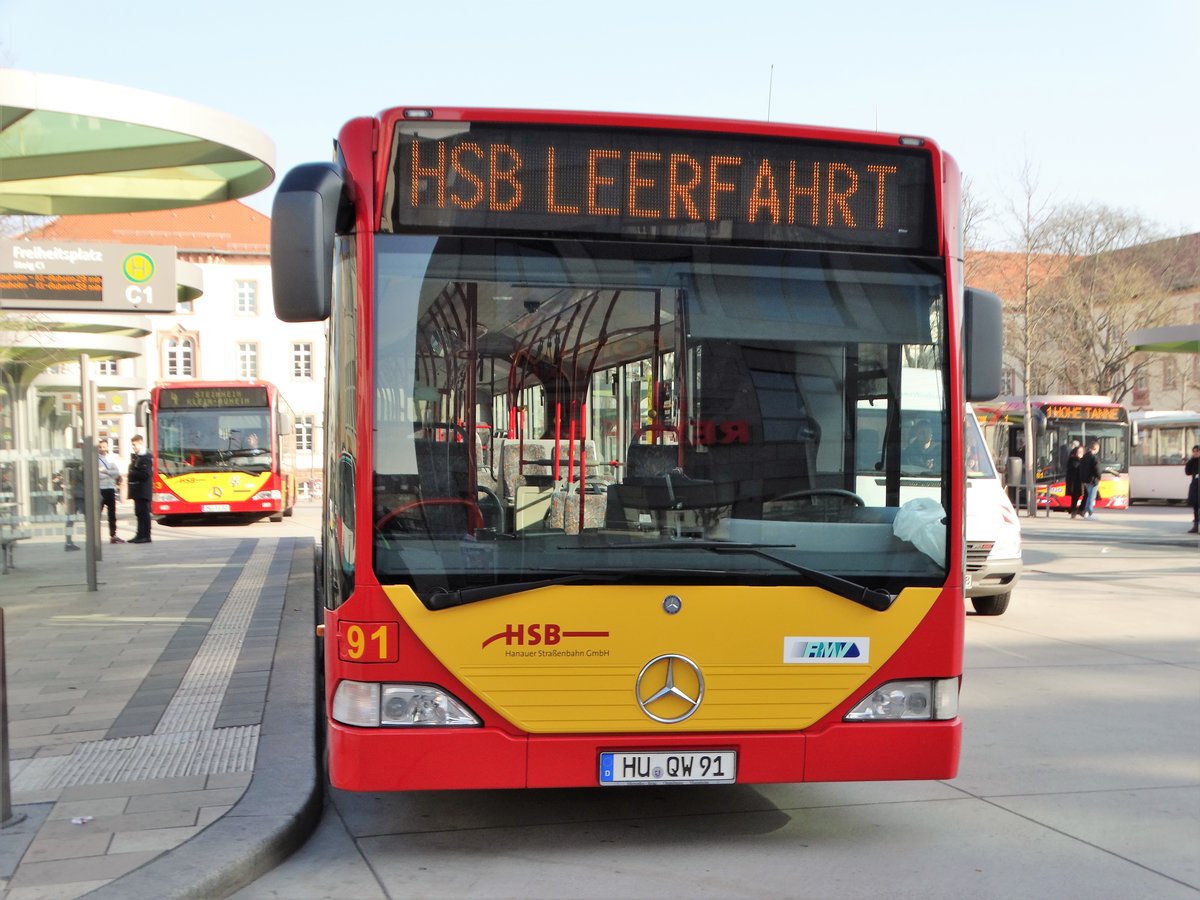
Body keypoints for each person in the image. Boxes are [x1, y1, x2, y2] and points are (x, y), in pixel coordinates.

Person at [126, 434, 153, 543]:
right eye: (132, 445)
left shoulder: (145, 457)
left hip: (143, 490)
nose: (133, 447)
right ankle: (139, 534)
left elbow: (145, 474)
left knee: (143, 513)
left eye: (134, 444)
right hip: (138, 491)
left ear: (140, 442)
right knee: (139, 513)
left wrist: (132, 472)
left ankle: (145, 535)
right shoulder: (138, 457)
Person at [97, 438, 125, 544]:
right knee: (98, 513)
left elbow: (116, 472)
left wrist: (106, 472)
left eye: (104, 447)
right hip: (101, 489)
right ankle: (96, 535)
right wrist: (110, 473)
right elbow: (98, 475)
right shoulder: (96, 459)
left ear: (107, 447)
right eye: (100, 447)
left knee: (112, 514)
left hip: (110, 489)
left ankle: (113, 535)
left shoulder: (111, 459)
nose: (103, 449)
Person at [1079, 439, 1102, 520]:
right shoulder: (1094, 458)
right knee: (1091, 497)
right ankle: (1089, 512)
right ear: (1095, 448)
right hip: (1093, 480)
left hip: (1086, 480)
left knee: (1088, 496)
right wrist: (1099, 477)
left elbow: (1081, 469)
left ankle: (1086, 512)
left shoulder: (1084, 457)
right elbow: (1097, 469)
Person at [1065, 443, 1085, 519]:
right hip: (1074, 482)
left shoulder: (1082, 459)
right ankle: (1073, 511)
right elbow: (1075, 466)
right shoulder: (1073, 459)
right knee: (1075, 497)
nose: (1080, 453)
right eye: (1078, 452)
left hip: (1081, 481)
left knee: (1085, 494)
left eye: (1081, 452)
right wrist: (1080, 459)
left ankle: (1080, 509)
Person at [1186, 444, 1200, 534]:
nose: (1195, 453)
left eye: (1197, 451)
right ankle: (1195, 526)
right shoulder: (1193, 461)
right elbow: (1188, 472)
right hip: (1195, 485)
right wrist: (1190, 460)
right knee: (1195, 506)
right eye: (1194, 451)